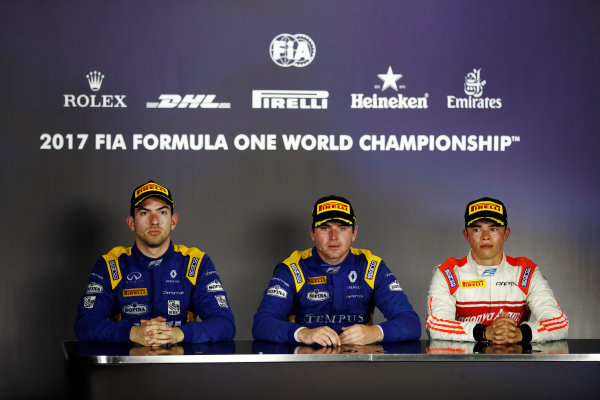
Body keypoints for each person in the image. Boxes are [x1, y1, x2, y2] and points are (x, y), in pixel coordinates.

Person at [74, 180, 235, 346]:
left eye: (162, 212)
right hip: (125, 368)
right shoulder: (110, 264)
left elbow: (225, 324)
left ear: (173, 221)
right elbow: (85, 324)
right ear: (131, 223)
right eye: (144, 213)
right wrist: (132, 333)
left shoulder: (196, 262)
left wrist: (177, 334)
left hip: (181, 368)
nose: (154, 221)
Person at [252, 195, 420, 346]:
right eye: (325, 228)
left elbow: (411, 323)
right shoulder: (292, 268)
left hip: (359, 369)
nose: (333, 236)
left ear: (354, 233)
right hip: (304, 368)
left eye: (342, 228)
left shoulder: (371, 267)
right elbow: (262, 324)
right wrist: (302, 334)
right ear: (312, 233)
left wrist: (375, 332)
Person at [426, 197, 568, 343]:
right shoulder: (448, 273)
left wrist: (520, 333)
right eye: (477, 229)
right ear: (466, 235)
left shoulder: (526, 272)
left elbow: (559, 323)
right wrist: (485, 332)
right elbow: (435, 326)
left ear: (506, 234)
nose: (486, 236)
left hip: (514, 364)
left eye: (493, 229)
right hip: (463, 364)